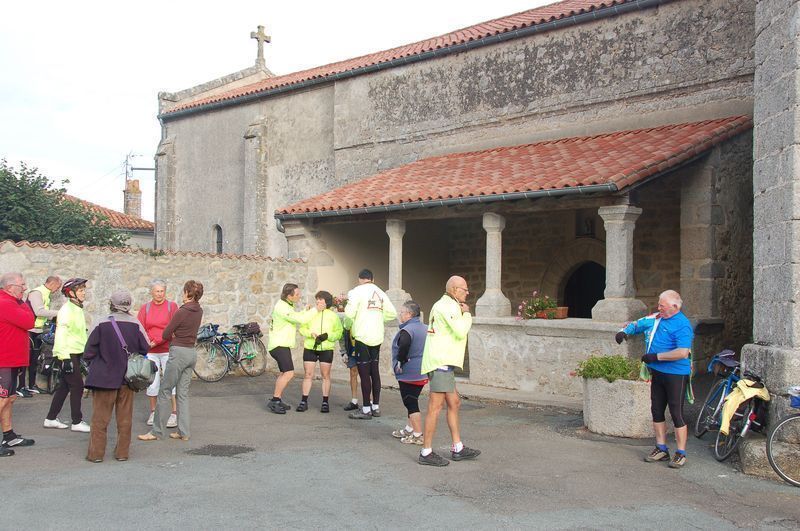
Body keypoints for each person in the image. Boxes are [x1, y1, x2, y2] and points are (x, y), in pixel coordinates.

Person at [615, 289, 694, 469]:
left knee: (676, 413)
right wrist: (624, 332)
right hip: (657, 372)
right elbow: (639, 324)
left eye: (662, 306)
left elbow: (682, 352)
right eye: (659, 305)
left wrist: (656, 357)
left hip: (676, 374)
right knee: (656, 410)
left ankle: (681, 453)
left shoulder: (682, 324)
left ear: (675, 307)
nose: (659, 308)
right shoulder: (657, 318)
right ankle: (661, 448)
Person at [418, 276, 480, 466]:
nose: (467, 293)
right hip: (441, 363)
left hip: (443, 363)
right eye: (464, 289)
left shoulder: (447, 304)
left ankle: (457, 447)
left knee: (454, 402)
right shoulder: (448, 306)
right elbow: (461, 331)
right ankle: (426, 452)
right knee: (435, 407)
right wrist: (467, 314)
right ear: (454, 289)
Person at [84, 290, 150, 462]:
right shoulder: (135, 324)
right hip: (128, 377)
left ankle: (96, 454)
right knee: (125, 419)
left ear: (111, 304)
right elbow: (145, 347)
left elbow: (89, 351)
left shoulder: (101, 322)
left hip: (104, 377)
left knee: (100, 419)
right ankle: (122, 453)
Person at [139, 280, 204, 442]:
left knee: (164, 391)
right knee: (182, 393)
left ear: (187, 293)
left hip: (178, 352)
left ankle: (156, 432)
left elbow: (166, 333)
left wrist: (173, 333)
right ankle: (184, 432)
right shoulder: (199, 310)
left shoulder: (182, 311)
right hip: (191, 353)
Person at [344, 269, 397, 420]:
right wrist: (378, 318)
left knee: (363, 373)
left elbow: (349, 314)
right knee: (375, 371)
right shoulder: (381, 292)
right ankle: (376, 407)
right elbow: (392, 313)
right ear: (372, 279)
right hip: (377, 336)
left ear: (360, 279)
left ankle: (366, 409)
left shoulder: (356, 291)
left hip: (362, 336)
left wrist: (348, 326)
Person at [44, 278, 90, 433]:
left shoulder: (77, 308)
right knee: (77, 386)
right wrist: (65, 358)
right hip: (67, 353)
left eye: (84, 290)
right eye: (81, 290)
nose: (84, 293)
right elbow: (61, 335)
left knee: (64, 386)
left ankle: (50, 419)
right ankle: (77, 421)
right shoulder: (67, 310)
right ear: (71, 293)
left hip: (75, 352)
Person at [265, 283, 317, 414]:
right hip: (279, 345)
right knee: (289, 373)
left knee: (284, 373)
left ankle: (277, 399)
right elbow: (301, 319)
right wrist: (316, 310)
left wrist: (305, 311)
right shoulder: (282, 307)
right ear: (289, 296)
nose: (299, 296)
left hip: (280, 344)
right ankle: (275, 401)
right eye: (297, 294)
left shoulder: (287, 305)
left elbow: (296, 316)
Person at [0, 272, 36, 456]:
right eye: (22, 285)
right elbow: (30, 321)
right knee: (2, 399)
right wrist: (24, 303)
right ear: (9, 287)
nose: (25, 288)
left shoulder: (11, 302)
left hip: (11, 360)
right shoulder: (6, 303)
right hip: (4, 361)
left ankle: (8, 435)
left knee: (10, 398)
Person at [137, 279, 179, 428]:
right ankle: (153, 412)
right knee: (152, 382)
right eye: (157, 291)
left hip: (167, 349)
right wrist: (148, 342)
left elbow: (174, 328)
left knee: (170, 381)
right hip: (151, 351)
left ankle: (174, 413)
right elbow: (140, 328)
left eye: (162, 291)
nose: (160, 294)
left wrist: (158, 340)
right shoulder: (145, 308)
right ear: (151, 292)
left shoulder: (172, 307)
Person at [297, 291, 343, 413]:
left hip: (326, 349)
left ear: (326, 302)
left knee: (325, 375)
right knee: (308, 374)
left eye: (320, 299)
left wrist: (328, 336)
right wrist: (310, 333)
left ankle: (325, 402)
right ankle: (303, 401)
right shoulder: (311, 313)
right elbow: (302, 328)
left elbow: (339, 332)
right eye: (317, 299)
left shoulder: (333, 316)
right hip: (310, 347)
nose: (317, 301)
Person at [391, 301, 428, 445]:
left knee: (410, 403)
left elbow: (404, 345)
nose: (400, 315)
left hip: (409, 373)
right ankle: (409, 429)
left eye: (402, 312)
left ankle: (418, 435)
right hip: (422, 371)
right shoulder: (426, 328)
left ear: (409, 314)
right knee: (412, 399)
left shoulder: (407, 330)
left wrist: (401, 361)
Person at [18, 275, 61, 397]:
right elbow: (39, 311)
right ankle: (20, 387)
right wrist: (60, 312)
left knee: (34, 360)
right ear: (52, 283)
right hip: (30, 330)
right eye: (58, 286)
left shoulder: (46, 294)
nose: (58, 289)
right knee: (26, 359)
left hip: (38, 330)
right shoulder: (37, 293)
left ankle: (32, 386)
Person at [340, 326, 360, 411]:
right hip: (351, 349)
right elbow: (342, 336)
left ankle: (369, 401)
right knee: (353, 372)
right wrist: (343, 352)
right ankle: (354, 401)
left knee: (365, 374)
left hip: (363, 348)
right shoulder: (346, 321)